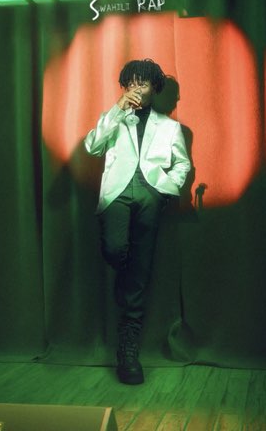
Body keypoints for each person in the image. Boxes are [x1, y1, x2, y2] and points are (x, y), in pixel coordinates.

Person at [84, 58, 190, 384]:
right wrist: (117, 110)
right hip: (117, 194)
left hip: (151, 196)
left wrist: (164, 189)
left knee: (141, 272)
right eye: (130, 82)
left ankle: (128, 350)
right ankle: (127, 282)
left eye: (142, 83)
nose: (135, 88)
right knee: (115, 249)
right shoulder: (115, 118)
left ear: (154, 89)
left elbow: (182, 164)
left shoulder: (169, 127)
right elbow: (92, 146)